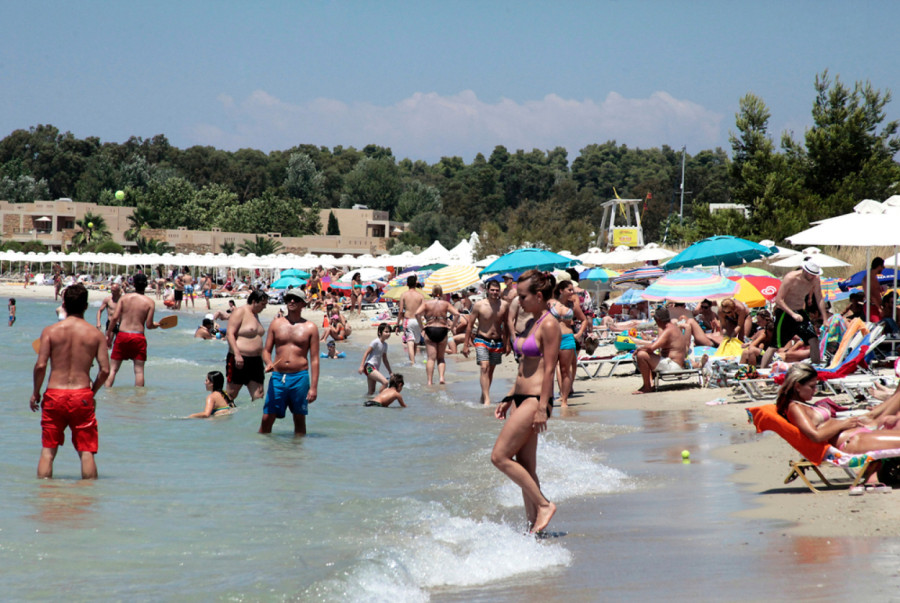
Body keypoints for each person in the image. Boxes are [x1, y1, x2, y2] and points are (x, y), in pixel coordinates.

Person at [492, 270, 559, 534]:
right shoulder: (532, 322)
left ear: (538, 296)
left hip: (535, 400)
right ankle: (533, 525)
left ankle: (544, 505)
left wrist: (543, 408)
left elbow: (550, 369)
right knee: (526, 464)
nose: (518, 301)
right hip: (521, 397)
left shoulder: (550, 324)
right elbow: (525, 367)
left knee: (499, 457)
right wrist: (510, 396)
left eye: (522, 296)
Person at [30, 283, 110, 479]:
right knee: (86, 451)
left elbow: (40, 366)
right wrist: (92, 392)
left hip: (54, 394)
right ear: (86, 306)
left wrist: (36, 393)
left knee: (48, 451)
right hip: (81, 394)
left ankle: (46, 498)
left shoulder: (50, 331)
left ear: (64, 304)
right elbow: (105, 371)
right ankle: (87, 501)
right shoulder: (96, 335)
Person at [777, 364, 900, 456]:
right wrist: (843, 424)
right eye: (812, 386)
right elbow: (815, 436)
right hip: (851, 441)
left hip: (857, 434)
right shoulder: (795, 408)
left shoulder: (803, 405)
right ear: (798, 386)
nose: (815, 390)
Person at [260, 290, 319, 435]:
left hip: (299, 377)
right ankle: (263, 453)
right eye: (289, 299)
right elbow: (266, 351)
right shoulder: (276, 324)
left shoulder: (310, 327)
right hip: (278, 377)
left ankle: (297, 455)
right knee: (267, 418)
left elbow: (315, 359)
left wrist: (313, 388)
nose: (291, 301)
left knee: (299, 419)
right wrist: (268, 363)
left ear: (302, 304)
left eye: (296, 299)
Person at [764, 259, 828, 366]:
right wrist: (792, 314)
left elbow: (819, 298)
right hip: (785, 312)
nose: (813, 276)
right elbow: (779, 300)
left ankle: (816, 368)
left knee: (813, 340)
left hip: (800, 311)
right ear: (804, 270)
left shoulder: (815, 279)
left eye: (815, 274)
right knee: (775, 345)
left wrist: (825, 319)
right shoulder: (791, 278)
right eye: (811, 274)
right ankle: (762, 371)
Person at [105, 274, 160, 387]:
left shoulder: (124, 298)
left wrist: (108, 335)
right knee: (139, 371)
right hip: (138, 336)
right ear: (146, 285)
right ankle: (138, 400)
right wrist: (156, 325)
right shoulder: (150, 302)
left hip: (122, 334)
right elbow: (149, 325)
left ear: (133, 284)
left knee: (113, 370)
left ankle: (107, 396)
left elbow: (114, 318)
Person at [463, 280, 509, 404]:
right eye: (492, 290)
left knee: (490, 371)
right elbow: (469, 325)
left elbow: (506, 326)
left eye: (496, 290)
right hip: (482, 339)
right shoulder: (479, 305)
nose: (494, 292)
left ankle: (484, 396)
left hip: (497, 341)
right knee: (484, 367)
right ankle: (487, 399)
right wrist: (466, 344)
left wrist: (507, 343)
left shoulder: (504, 305)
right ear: (487, 291)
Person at [548, 280, 588, 407]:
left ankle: (564, 399)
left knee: (565, 370)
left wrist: (579, 333)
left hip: (567, 338)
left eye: (573, 290)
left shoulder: (572, 305)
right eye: (570, 290)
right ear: (561, 290)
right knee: (549, 370)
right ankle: (548, 398)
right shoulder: (550, 303)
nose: (573, 292)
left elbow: (584, 320)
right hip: (552, 339)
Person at [632, 307, 691, 395]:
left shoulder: (669, 330)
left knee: (641, 355)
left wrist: (638, 349)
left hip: (673, 366)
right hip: (673, 363)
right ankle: (649, 384)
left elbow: (652, 347)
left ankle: (647, 387)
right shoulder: (672, 328)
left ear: (658, 319)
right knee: (646, 353)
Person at [225, 290, 269, 402]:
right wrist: (237, 355)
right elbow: (230, 334)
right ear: (254, 301)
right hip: (240, 359)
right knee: (231, 395)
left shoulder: (255, 315)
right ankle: (221, 416)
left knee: (259, 396)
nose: (265, 307)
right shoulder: (240, 312)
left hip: (256, 361)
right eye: (263, 304)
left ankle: (254, 418)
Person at [415, 284, 462, 386]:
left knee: (431, 358)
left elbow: (417, 314)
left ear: (432, 292)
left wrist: (421, 327)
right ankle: (441, 378)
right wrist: (452, 326)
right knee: (441, 358)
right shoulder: (446, 304)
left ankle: (429, 381)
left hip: (430, 328)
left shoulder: (427, 303)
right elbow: (457, 314)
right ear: (441, 293)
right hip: (442, 329)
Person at [396, 275, 425, 363]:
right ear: (416, 284)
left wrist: (397, 324)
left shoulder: (404, 295)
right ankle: (413, 360)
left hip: (408, 320)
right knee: (415, 343)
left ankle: (412, 362)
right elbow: (423, 310)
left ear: (407, 284)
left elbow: (401, 311)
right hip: (418, 321)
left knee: (409, 341)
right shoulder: (420, 296)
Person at [359, 323, 393, 395]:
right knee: (385, 382)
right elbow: (366, 353)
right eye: (386, 332)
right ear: (379, 332)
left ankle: (366, 403)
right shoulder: (376, 342)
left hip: (375, 368)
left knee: (371, 391)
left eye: (389, 332)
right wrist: (362, 366)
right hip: (369, 367)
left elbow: (385, 359)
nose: (388, 334)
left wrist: (390, 372)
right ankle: (379, 399)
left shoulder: (385, 345)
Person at [96, 282, 122, 347]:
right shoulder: (108, 299)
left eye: (114, 291)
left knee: (120, 345)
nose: (112, 292)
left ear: (119, 290)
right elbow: (100, 311)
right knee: (107, 344)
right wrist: (98, 322)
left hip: (121, 324)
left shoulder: (123, 300)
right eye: (111, 290)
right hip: (110, 323)